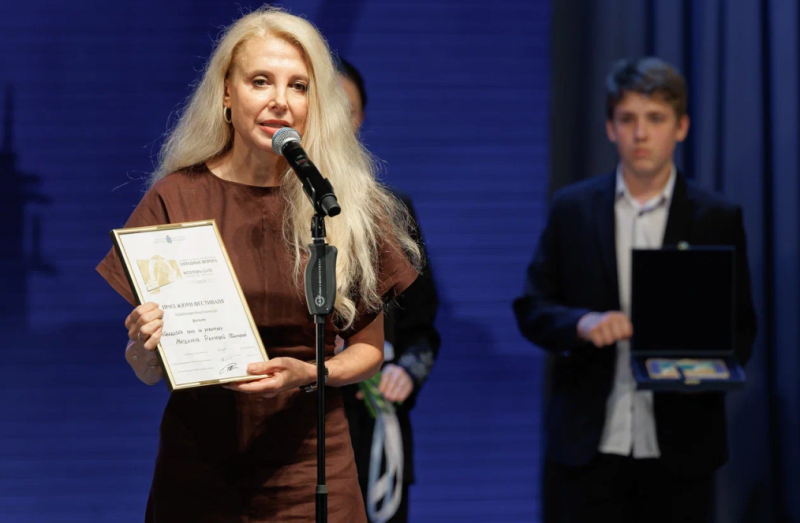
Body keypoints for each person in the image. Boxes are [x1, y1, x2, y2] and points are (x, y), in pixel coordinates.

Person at [96, 7, 422, 522]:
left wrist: (309, 373)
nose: (280, 101)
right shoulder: (176, 198)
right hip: (198, 468)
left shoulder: (342, 203)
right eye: (260, 81)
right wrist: (143, 348)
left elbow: (368, 350)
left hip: (310, 466)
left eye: (298, 86)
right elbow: (147, 368)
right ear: (227, 93)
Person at [513, 57, 757, 523]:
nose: (641, 134)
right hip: (588, 446)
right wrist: (582, 323)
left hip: (681, 448)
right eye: (628, 119)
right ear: (610, 127)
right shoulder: (573, 209)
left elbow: (740, 327)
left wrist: (701, 364)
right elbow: (532, 307)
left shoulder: (716, 217)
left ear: (681, 127)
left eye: (656, 118)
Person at [336, 58, 441, 522]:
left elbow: (422, 330)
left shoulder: (390, 210)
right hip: (293, 434)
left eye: (347, 110)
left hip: (373, 431)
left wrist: (406, 372)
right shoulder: (263, 206)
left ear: (361, 119)